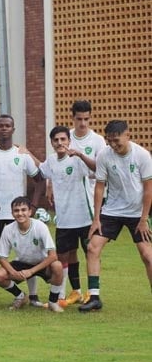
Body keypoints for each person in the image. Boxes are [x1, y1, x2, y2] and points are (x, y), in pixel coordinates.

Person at [80, 120, 152, 312]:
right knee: (92, 247)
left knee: (147, 255)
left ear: (128, 135)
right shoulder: (104, 155)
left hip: (137, 213)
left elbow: (148, 189)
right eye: (109, 141)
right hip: (112, 211)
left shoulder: (142, 155)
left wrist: (144, 220)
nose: (113, 145)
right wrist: (96, 219)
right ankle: (94, 297)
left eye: (117, 141)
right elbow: (99, 187)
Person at [0, 114, 44, 307]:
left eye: (8, 126)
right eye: (1, 126)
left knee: (28, 255)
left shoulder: (21, 155)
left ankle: (33, 296)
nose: (4, 129)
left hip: (19, 215)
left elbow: (39, 179)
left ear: (13, 129)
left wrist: (33, 205)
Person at [38, 126, 96, 305]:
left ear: (69, 141)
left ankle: (91, 293)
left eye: (63, 139)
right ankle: (67, 293)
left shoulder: (77, 160)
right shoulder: (51, 160)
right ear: (52, 143)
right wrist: (27, 153)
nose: (60, 143)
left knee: (90, 254)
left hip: (84, 217)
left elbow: (95, 169)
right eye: (56, 140)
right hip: (64, 219)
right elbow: (41, 171)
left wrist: (80, 155)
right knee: (65, 256)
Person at [58, 100, 106, 305]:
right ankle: (76, 290)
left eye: (87, 119)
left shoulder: (97, 140)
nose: (83, 123)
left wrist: (80, 155)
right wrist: (52, 187)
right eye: (79, 119)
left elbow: (101, 169)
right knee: (69, 252)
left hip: (88, 204)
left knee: (90, 249)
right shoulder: (66, 137)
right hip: (67, 206)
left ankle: (91, 291)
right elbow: (57, 162)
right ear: (73, 118)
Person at [0, 197, 65, 312]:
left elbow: (53, 255)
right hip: (22, 262)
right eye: (16, 210)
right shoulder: (8, 229)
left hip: (41, 263)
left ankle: (53, 302)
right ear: (12, 213)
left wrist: (31, 271)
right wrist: (13, 272)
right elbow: (1, 257)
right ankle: (21, 296)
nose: (20, 213)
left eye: (23, 210)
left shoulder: (40, 226)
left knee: (57, 266)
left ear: (30, 212)